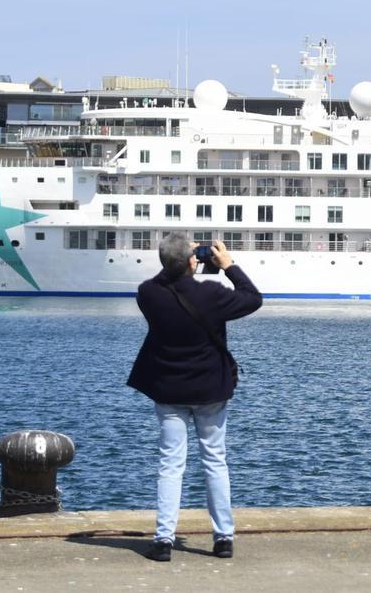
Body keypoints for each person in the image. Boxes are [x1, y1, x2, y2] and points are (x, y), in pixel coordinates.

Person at [128, 235, 262, 562]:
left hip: (169, 391)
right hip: (210, 390)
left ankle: (163, 540)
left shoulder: (149, 294)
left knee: (170, 465)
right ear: (193, 262)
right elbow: (252, 298)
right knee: (215, 461)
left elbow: (162, 279)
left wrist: (178, 262)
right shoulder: (212, 294)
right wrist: (228, 266)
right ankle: (223, 538)